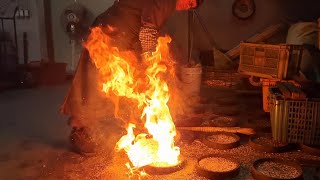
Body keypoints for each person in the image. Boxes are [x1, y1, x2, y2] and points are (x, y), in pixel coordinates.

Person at [60, 0, 204, 156]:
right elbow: (148, 30)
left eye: (191, 6)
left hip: (116, 32)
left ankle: (141, 120)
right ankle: (79, 132)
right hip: (108, 35)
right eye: (190, 2)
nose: (186, 6)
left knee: (123, 83)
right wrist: (151, 63)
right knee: (91, 87)